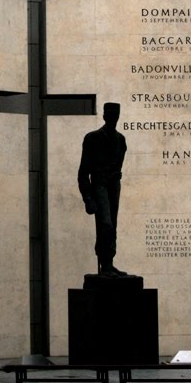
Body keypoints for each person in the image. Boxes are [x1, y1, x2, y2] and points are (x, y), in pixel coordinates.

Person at [78, 102, 128, 277]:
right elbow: (83, 171)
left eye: (116, 114)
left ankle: (109, 263)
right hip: (99, 184)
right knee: (105, 224)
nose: (113, 117)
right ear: (105, 115)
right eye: (110, 113)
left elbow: (119, 166)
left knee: (112, 225)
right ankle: (104, 263)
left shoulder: (121, 140)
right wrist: (88, 198)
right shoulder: (92, 138)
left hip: (114, 185)